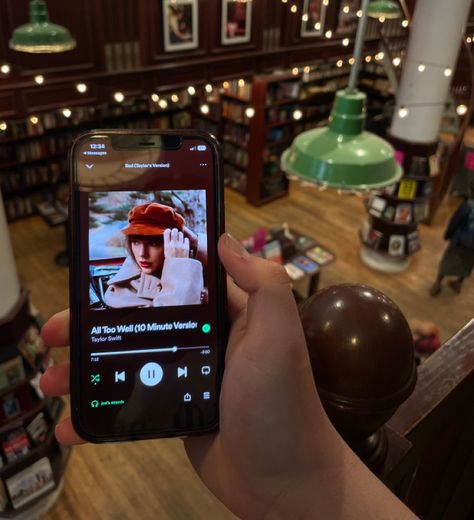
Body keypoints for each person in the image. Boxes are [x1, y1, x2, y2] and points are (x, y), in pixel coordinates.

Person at [40, 234, 417, 519]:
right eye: (135, 241)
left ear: (173, 247)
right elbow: (119, 303)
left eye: (153, 243)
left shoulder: (195, 282)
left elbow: (179, 322)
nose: (141, 252)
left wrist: (178, 271)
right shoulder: (124, 282)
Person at [103, 202, 204, 307]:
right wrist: (179, 267)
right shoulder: (122, 292)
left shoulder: (194, 261)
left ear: (175, 243)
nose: (142, 254)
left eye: (153, 244)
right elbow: (177, 319)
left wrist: (196, 243)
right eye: (136, 242)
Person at [430, 183, 474, 296]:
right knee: (467, 263)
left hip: (460, 241)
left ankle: (437, 283)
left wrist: (448, 234)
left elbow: (455, 221)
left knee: (448, 260)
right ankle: (458, 283)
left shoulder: (467, 206)